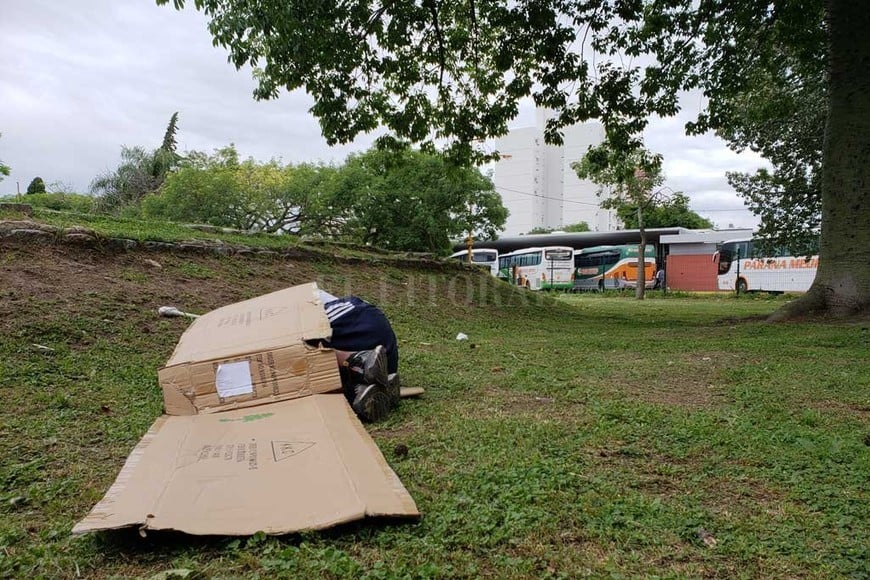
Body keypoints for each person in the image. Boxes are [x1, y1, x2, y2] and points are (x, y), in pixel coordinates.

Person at [315, 290, 400, 422]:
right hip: (385, 353)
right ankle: (366, 387)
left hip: (357, 323)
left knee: (295, 343)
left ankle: (358, 362)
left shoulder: (299, 303)